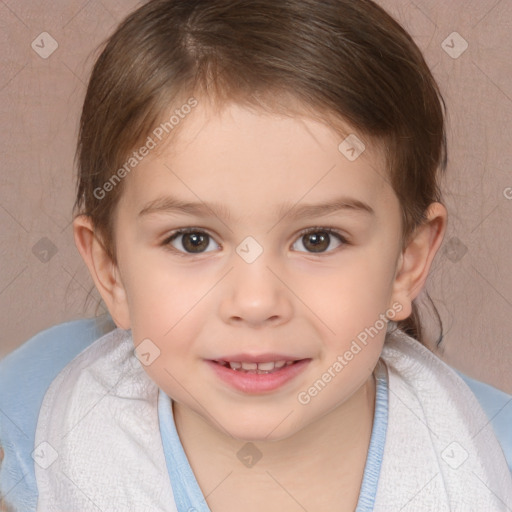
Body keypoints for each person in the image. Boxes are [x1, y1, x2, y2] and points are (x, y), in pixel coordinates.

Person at [1, 0, 511, 510]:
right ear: (110, 270)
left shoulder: (492, 461)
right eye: (192, 240)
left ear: (407, 262)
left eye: (318, 239)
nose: (256, 301)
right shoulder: (33, 410)